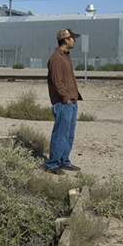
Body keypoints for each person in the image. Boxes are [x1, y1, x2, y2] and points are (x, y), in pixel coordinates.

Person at [45, 28, 83, 175]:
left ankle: (64, 161)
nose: (75, 40)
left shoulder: (66, 56)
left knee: (69, 134)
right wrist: (66, 99)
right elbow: (57, 81)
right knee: (60, 133)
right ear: (66, 39)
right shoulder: (56, 58)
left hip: (71, 101)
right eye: (72, 38)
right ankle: (53, 164)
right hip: (63, 102)